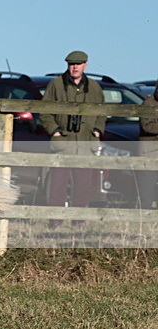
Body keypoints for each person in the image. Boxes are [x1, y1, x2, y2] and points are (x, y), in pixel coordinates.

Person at [41, 50, 106, 212]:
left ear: (85, 65)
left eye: (78, 64)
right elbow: (43, 110)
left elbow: (103, 111)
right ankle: (55, 220)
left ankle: (79, 221)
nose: (75, 67)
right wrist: (54, 130)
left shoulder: (94, 87)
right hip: (63, 142)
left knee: (84, 185)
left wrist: (97, 130)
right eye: (72, 64)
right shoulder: (56, 85)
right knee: (57, 184)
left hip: (86, 143)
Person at [137, 83, 158, 209]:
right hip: (149, 152)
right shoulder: (148, 103)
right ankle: (143, 220)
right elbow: (147, 126)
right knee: (146, 189)